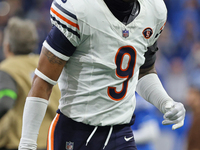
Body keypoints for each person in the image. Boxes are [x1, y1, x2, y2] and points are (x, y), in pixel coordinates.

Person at [18, 0, 186, 150]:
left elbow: (143, 71)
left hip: (121, 134)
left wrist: (165, 102)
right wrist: (27, 143)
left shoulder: (153, 10)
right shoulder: (80, 9)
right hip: (75, 132)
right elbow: (43, 81)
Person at [0, 17, 60, 150]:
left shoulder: (7, 68)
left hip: (21, 141)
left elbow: (5, 101)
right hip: (50, 140)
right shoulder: (48, 64)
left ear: (7, 45)